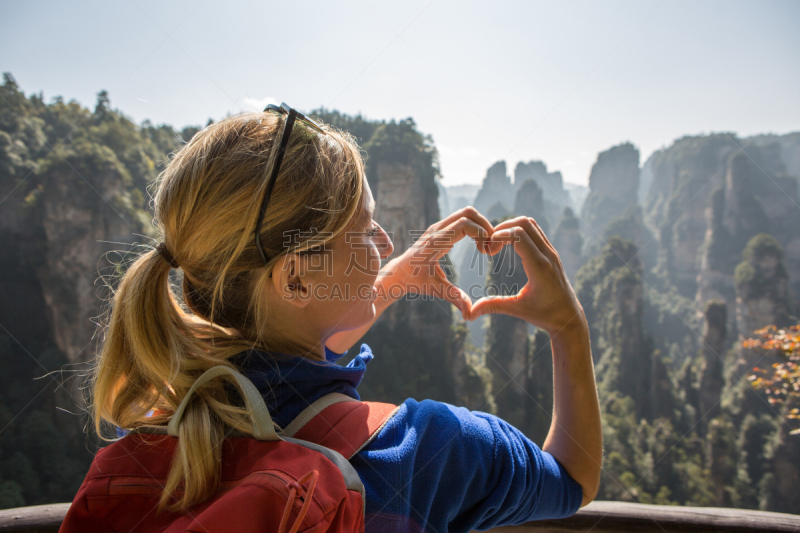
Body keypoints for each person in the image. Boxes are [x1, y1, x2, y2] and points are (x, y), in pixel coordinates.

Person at [91, 104, 602, 532]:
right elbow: (573, 476)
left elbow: (279, 366)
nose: (385, 241)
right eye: (363, 230)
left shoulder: (150, 436)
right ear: (294, 280)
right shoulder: (434, 450)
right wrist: (567, 327)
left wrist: (391, 282)